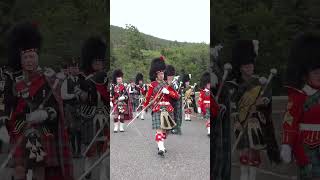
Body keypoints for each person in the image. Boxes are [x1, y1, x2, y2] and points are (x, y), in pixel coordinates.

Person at [7, 22, 73, 180]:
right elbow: (9, 107)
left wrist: (45, 113)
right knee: (19, 170)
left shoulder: (49, 79)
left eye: (32, 57)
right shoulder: (15, 82)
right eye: (25, 57)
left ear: (37, 58)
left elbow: (57, 110)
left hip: (42, 131)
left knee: (39, 171)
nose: (29, 60)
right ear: (21, 59)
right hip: (19, 130)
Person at [230, 39, 280, 180]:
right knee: (243, 151)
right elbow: (233, 104)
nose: (249, 68)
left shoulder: (261, 82)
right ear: (240, 67)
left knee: (254, 151)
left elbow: (267, 98)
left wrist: (262, 101)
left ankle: (252, 177)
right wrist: (236, 121)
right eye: (246, 66)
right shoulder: (235, 84)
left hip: (255, 122)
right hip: (241, 121)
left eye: (251, 65)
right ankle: (243, 175)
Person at [281, 32, 320, 179]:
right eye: (316, 72)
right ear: (306, 73)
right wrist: (287, 144)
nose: (319, 76)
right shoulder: (299, 96)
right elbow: (289, 122)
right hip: (307, 145)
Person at [78, 36, 109, 179]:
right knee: (90, 148)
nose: (98, 64)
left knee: (104, 151)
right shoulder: (85, 79)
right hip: (90, 116)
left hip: (105, 116)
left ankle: (103, 176)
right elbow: (83, 99)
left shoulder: (106, 79)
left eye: (100, 61)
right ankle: (87, 172)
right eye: (95, 61)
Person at [143, 56, 179, 156]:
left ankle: (160, 144)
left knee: (166, 131)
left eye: (163, 73)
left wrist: (168, 92)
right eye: (160, 73)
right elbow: (147, 97)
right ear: (155, 74)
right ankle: (161, 148)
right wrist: (145, 107)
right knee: (159, 128)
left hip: (168, 109)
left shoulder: (167, 85)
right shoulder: (152, 85)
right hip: (158, 108)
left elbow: (176, 96)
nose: (162, 75)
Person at [61, 58, 82, 158]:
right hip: (70, 107)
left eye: (76, 68)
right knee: (72, 129)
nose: (75, 70)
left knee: (80, 130)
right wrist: (74, 95)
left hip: (80, 107)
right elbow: (63, 95)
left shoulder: (82, 80)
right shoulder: (66, 81)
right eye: (73, 68)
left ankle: (79, 150)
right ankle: (73, 151)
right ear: (69, 69)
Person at [165, 65, 183, 135]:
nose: (169, 77)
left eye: (169, 76)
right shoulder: (168, 81)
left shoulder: (175, 83)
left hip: (176, 100)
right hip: (170, 99)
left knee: (177, 114)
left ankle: (177, 128)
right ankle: (171, 126)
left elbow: (176, 92)